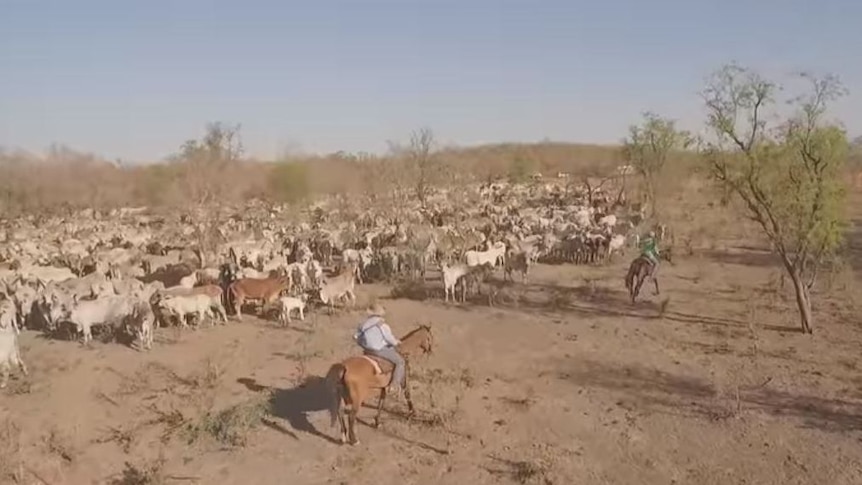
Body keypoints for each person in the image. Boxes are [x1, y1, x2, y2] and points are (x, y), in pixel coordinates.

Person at [353, 303, 405, 394]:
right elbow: (389, 339)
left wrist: (362, 343)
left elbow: (355, 337)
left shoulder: (363, 324)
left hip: (367, 350)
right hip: (378, 350)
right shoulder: (382, 325)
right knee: (400, 362)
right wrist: (397, 342)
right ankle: (394, 385)